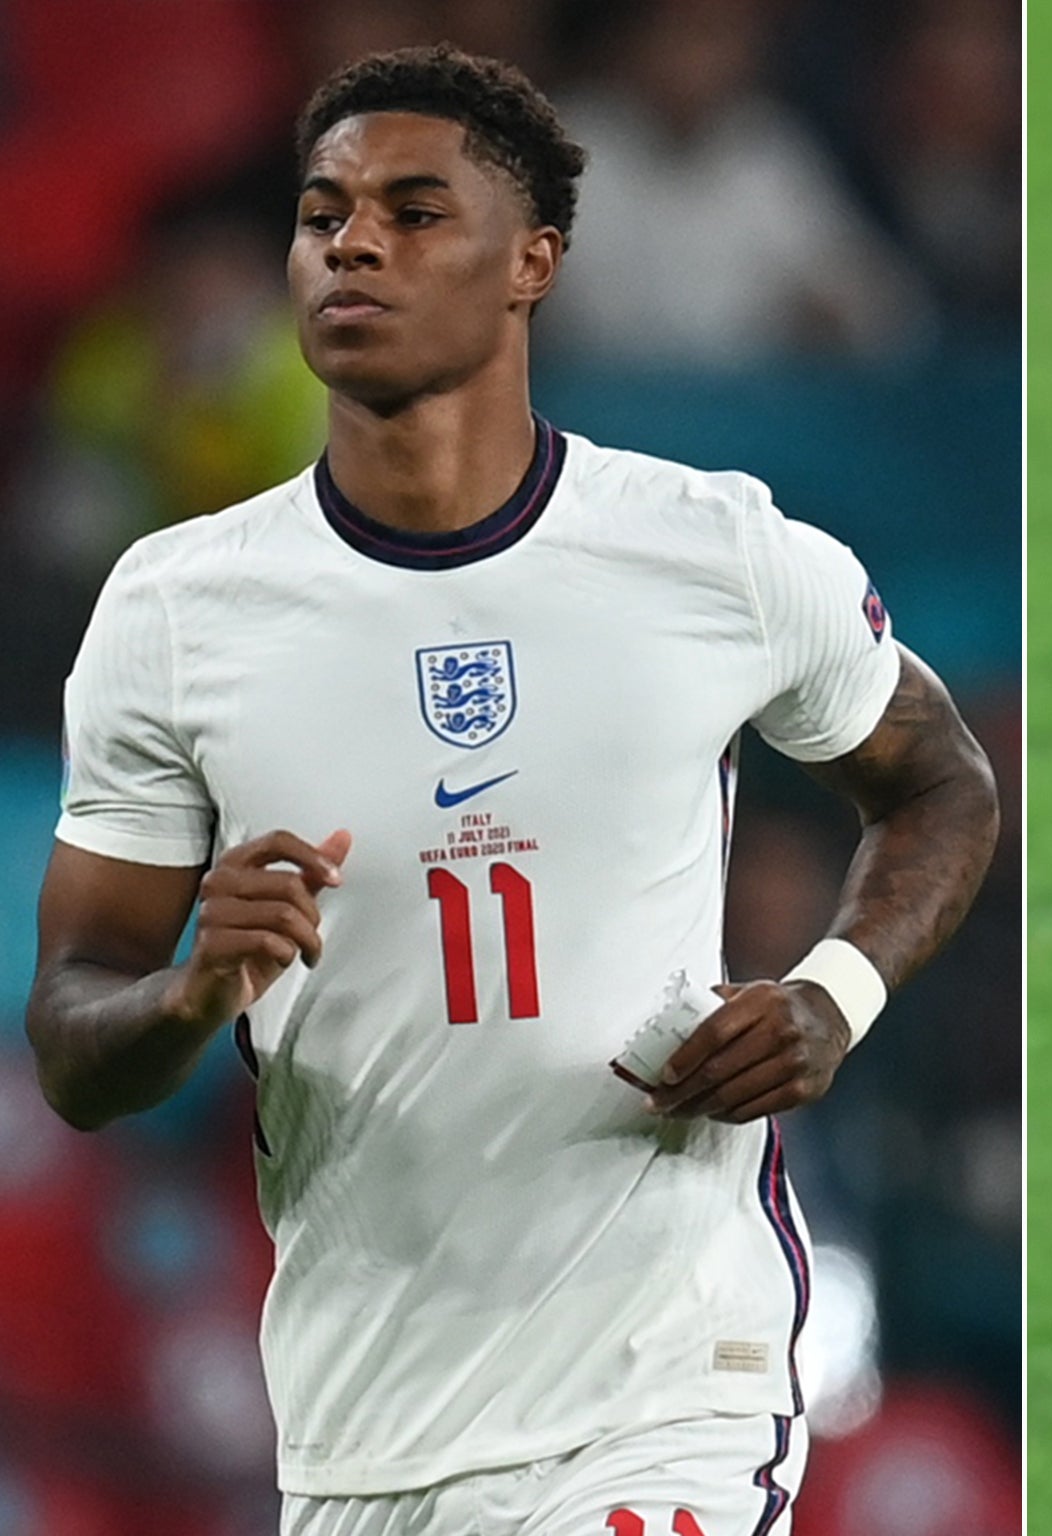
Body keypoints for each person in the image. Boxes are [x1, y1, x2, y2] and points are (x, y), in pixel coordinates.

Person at [25, 44, 999, 1536]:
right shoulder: (177, 613)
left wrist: (832, 997)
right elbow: (76, 1034)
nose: (351, 242)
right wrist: (181, 997)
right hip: (363, 1430)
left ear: (534, 259)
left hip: (666, 1392)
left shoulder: (711, 551)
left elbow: (940, 783)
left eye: (415, 212)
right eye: (322, 211)